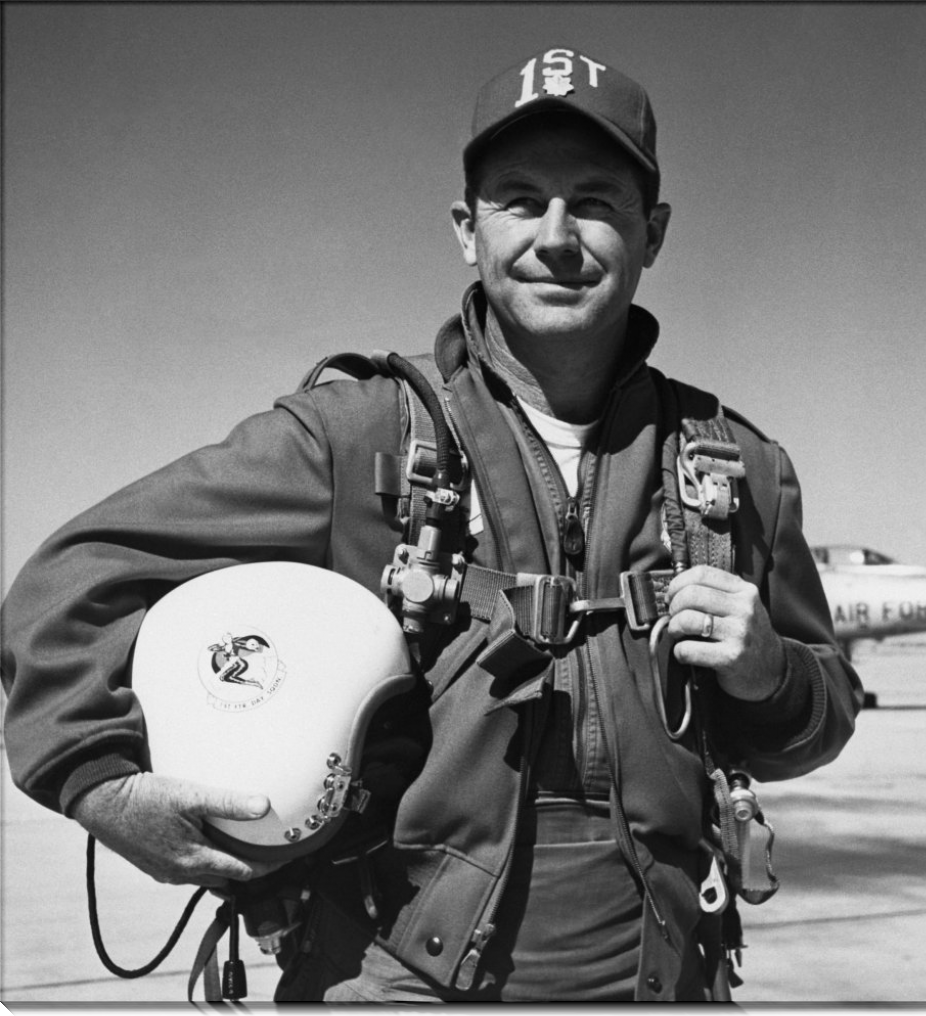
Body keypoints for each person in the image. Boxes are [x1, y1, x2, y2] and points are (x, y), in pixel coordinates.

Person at [0, 48, 863, 1003]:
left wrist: (769, 673)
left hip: (661, 979)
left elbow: (818, 714)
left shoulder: (732, 467)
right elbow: (73, 574)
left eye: (594, 203)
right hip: (389, 977)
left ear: (650, 232)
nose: (556, 237)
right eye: (520, 200)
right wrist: (96, 781)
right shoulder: (355, 435)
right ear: (466, 229)